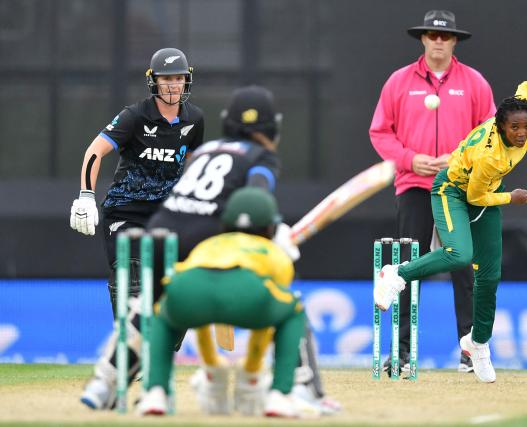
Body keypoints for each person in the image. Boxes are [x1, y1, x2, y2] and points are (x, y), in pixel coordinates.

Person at [80, 86, 339, 416]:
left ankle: (107, 383)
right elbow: (255, 199)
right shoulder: (262, 157)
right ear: (273, 126)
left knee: (151, 309)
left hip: (162, 230)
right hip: (204, 240)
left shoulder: (208, 149)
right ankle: (299, 391)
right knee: (286, 310)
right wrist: (274, 230)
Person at [374, 80, 527, 383]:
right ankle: (396, 274)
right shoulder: (490, 155)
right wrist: (512, 198)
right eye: (515, 128)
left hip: (485, 191)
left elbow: (526, 86)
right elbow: (474, 197)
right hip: (453, 192)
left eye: (526, 126)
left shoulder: (521, 117)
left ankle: (477, 343)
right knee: (460, 255)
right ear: (500, 126)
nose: (522, 133)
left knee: (490, 275)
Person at [369, 9, 496, 374]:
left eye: (445, 36)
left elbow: (489, 136)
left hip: (459, 189)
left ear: (454, 41)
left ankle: (471, 352)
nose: (438, 41)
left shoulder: (474, 83)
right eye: (432, 35)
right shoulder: (398, 81)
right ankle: (404, 354)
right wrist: (411, 159)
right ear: (422, 39)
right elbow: (380, 132)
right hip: (414, 185)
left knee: (465, 267)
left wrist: (459, 161)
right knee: (409, 267)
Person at [136, 187, 321, 418]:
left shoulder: (208, 243)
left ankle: (155, 392)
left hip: (187, 287)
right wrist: (252, 369)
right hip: (246, 291)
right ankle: (280, 396)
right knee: (293, 310)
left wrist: (212, 364)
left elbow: (197, 281)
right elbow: (272, 300)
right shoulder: (272, 251)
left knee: (163, 315)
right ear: (270, 227)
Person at [69, 47, 205, 316]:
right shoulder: (135, 116)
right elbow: (95, 151)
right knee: (131, 281)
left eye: (178, 78)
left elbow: (192, 166)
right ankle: (130, 348)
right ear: (154, 80)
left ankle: (163, 345)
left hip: (166, 215)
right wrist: (86, 195)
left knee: (177, 286)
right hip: (126, 210)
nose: (173, 85)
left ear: (186, 79)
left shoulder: (195, 119)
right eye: (166, 79)